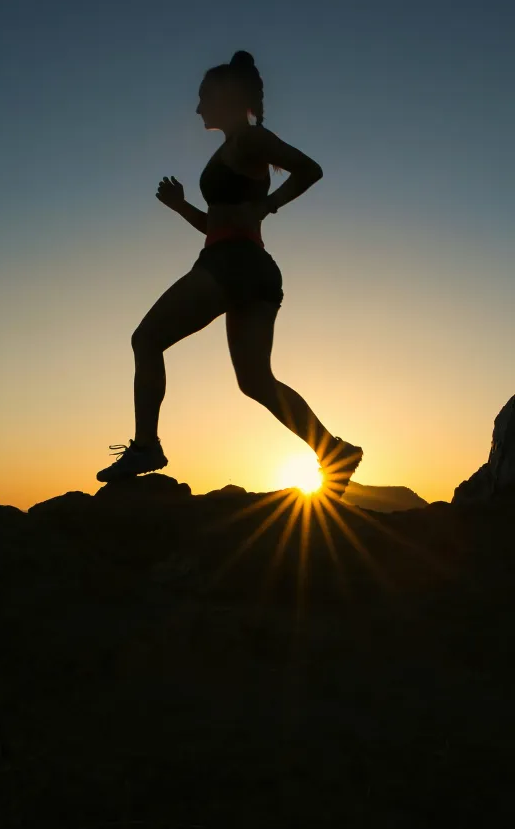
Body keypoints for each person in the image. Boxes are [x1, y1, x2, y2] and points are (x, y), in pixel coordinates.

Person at [97, 50, 362, 499]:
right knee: (255, 381)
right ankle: (334, 451)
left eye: (203, 97)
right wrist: (182, 207)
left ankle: (146, 447)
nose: (198, 107)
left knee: (146, 340)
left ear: (225, 96)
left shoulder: (248, 140)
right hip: (250, 267)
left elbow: (309, 169)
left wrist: (269, 204)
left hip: (233, 265)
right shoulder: (234, 147)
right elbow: (219, 225)